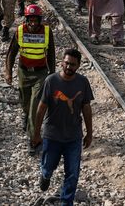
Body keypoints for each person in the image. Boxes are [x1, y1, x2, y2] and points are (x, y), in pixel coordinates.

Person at [32, 49, 94, 206]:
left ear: (78, 66)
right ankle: (45, 176)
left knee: (72, 173)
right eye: (66, 63)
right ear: (62, 63)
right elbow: (41, 108)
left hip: (73, 137)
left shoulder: (83, 82)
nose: (69, 67)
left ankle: (66, 202)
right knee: (48, 166)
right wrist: (36, 133)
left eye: (73, 64)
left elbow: (86, 108)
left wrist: (89, 133)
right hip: (52, 135)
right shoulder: (51, 81)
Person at [5, 5, 56, 155]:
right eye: (30, 20)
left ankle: (33, 140)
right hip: (24, 72)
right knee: (25, 101)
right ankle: (25, 115)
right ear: (26, 20)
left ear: (40, 20)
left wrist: (52, 75)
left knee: (35, 105)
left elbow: (51, 54)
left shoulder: (47, 32)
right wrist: (8, 73)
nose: (33, 23)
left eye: (36, 20)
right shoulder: (20, 31)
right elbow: (11, 53)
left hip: (40, 74)